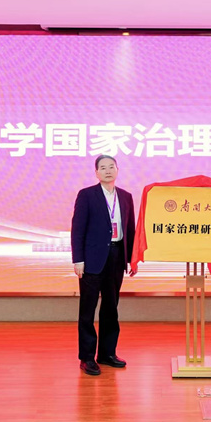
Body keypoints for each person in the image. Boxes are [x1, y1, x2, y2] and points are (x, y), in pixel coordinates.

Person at [71, 154, 136, 376]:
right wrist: (78, 260)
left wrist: (131, 259)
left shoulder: (126, 197)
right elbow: (78, 230)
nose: (108, 171)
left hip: (117, 257)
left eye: (111, 167)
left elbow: (130, 229)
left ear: (117, 170)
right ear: (96, 173)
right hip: (92, 259)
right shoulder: (87, 195)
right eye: (103, 168)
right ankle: (87, 357)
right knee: (88, 310)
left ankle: (107, 353)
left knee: (111, 307)